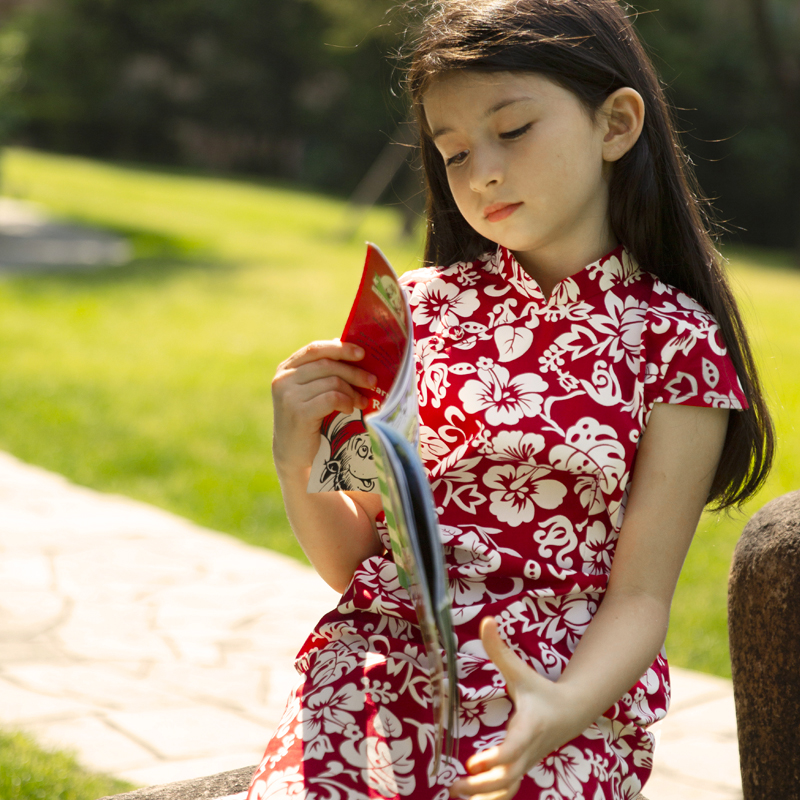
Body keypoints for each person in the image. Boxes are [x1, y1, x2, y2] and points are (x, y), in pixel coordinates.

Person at [247, 1, 774, 798]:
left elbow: (639, 598)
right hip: (374, 672)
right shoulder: (411, 310)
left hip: (561, 694)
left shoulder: (676, 341)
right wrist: (296, 460)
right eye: (453, 151)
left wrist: (561, 706)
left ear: (616, 125)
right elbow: (361, 564)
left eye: (513, 130)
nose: (481, 170)